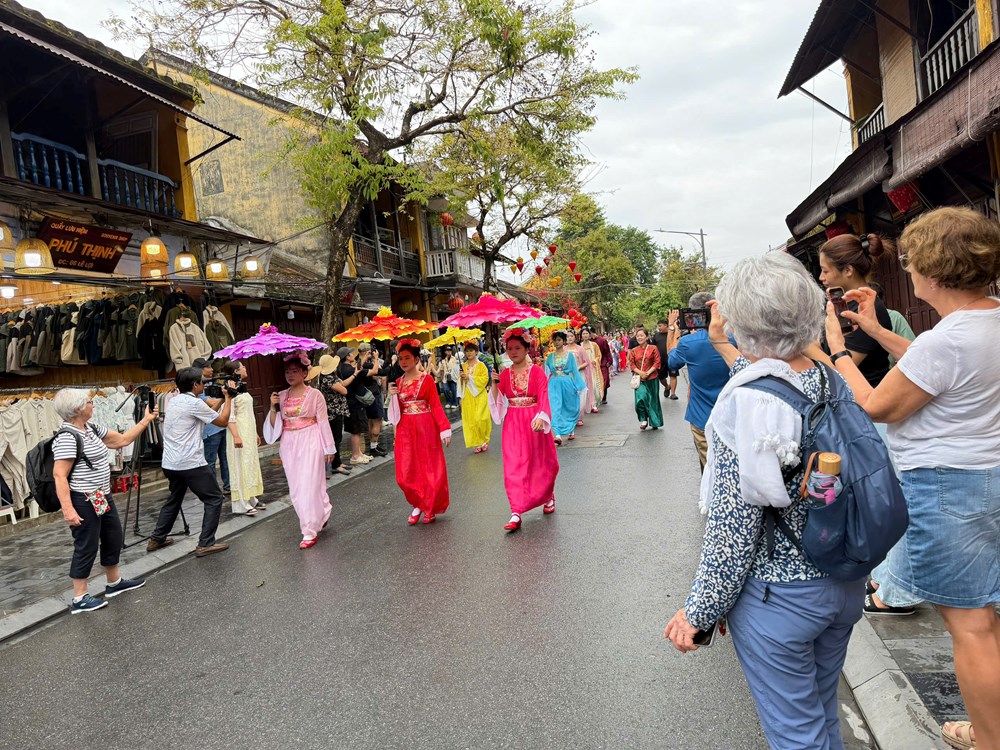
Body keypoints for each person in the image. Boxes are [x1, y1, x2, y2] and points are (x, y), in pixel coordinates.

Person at [664, 252, 864, 750]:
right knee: (820, 717)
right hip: (842, 578)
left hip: (783, 593)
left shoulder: (750, 400)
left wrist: (699, 611)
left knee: (796, 734)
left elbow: (734, 529)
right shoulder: (828, 378)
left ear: (740, 322)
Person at [822, 207, 1000, 750]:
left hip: (949, 488)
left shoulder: (947, 340)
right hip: (988, 476)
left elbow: (877, 403)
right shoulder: (982, 323)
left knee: (970, 625)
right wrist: (875, 331)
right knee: (987, 615)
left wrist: (834, 350)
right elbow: (928, 364)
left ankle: (990, 737)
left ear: (932, 270)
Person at [52, 388, 158, 613]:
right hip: (82, 498)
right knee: (86, 544)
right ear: (78, 409)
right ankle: (79, 597)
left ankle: (114, 582)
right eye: (90, 402)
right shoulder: (67, 437)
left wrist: (146, 420)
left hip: (100, 494)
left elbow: (121, 440)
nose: (93, 404)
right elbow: (59, 475)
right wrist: (68, 510)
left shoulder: (90, 428)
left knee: (112, 536)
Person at [148, 366, 234, 558]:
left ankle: (157, 538)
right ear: (195, 385)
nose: (204, 384)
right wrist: (228, 399)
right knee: (214, 498)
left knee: (174, 498)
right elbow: (222, 421)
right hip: (190, 463)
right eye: (202, 382)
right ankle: (205, 543)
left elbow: (207, 411)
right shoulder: (194, 403)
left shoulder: (176, 401)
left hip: (170, 463)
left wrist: (221, 397)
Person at [488, 328, 559, 532]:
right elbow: (498, 401)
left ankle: (547, 495)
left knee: (541, 464)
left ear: (527, 348)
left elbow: (543, 395)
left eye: (517, 347)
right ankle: (516, 510)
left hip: (533, 421)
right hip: (513, 424)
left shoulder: (536, 371)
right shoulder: (504, 374)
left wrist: (541, 417)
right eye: (509, 348)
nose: (513, 352)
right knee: (514, 466)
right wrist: (494, 384)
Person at [264, 351, 336, 549]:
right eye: (287, 371)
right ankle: (321, 511)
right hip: (289, 443)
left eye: (295, 371)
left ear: (305, 373)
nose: (290, 374)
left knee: (309, 484)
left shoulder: (315, 395)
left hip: (311, 439)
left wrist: (329, 448)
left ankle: (309, 530)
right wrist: (272, 407)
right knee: (296, 487)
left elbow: (323, 422)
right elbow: (275, 426)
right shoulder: (281, 396)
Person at [387, 339, 452, 525]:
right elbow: (395, 413)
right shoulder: (397, 382)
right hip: (405, 428)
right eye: (400, 358)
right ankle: (417, 502)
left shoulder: (427, 379)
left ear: (416, 359)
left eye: (407, 358)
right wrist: (391, 396)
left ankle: (428, 507)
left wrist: (445, 428)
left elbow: (436, 406)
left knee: (428, 468)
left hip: (425, 426)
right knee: (405, 473)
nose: (403, 362)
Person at [818, 233, 894, 387]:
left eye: (825, 271)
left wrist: (805, 346)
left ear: (848, 271)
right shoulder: (841, 303)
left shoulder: (868, 310)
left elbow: (841, 369)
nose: (820, 277)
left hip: (867, 401)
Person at [666, 293, 732, 470]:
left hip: (701, 417)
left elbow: (672, 361)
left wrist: (672, 329)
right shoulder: (734, 338)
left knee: (709, 468)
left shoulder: (688, 343)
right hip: (731, 417)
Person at [220, 360, 265, 516]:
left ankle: (251, 497)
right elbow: (229, 416)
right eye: (243, 367)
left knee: (249, 463)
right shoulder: (229, 390)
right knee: (239, 465)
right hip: (237, 431)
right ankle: (241, 503)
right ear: (236, 371)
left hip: (248, 430)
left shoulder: (242, 388)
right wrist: (236, 435)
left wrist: (255, 433)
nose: (246, 368)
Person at [192, 357, 231, 495]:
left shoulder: (212, 383)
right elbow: (210, 406)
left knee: (226, 458)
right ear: (202, 369)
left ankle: (228, 486)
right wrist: (224, 398)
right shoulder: (198, 387)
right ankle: (214, 491)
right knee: (210, 462)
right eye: (209, 367)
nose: (212, 369)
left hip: (220, 426)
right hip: (209, 430)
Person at [310, 352, 352, 477]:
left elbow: (343, 383)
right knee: (335, 438)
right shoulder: (327, 378)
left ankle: (338, 462)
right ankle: (335, 465)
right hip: (332, 412)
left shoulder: (332, 376)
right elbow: (344, 390)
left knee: (337, 437)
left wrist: (355, 374)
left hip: (337, 410)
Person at [544, 331, 585, 444]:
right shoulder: (550, 357)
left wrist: (579, 386)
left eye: (559, 340)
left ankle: (570, 429)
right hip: (554, 384)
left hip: (567, 383)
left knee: (569, 407)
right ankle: (557, 434)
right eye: (555, 340)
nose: (556, 343)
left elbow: (575, 372)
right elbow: (546, 373)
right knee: (555, 408)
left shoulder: (569, 356)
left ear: (563, 341)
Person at [337, 346, 372, 466]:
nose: (353, 355)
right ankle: (355, 455)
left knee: (357, 429)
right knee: (356, 430)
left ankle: (359, 453)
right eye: (351, 354)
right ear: (347, 357)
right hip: (354, 402)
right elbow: (360, 374)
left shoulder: (343, 368)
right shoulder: (347, 369)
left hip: (352, 402)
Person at [458, 340, 492, 453]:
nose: (469, 353)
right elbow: (459, 382)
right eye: (467, 351)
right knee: (471, 420)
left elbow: (485, 379)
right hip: (467, 396)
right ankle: (477, 443)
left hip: (479, 394)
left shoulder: (481, 365)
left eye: (471, 350)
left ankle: (484, 440)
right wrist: (462, 379)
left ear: (476, 352)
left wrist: (470, 378)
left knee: (481, 418)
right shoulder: (462, 366)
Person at [628, 327, 663, 430]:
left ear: (647, 337)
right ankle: (643, 419)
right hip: (639, 379)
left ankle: (655, 421)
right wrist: (641, 373)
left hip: (652, 377)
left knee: (653, 400)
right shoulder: (634, 351)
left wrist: (648, 372)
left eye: (641, 335)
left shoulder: (653, 348)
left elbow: (657, 362)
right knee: (640, 400)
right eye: (638, 336)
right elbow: (632, 364)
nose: (639, 338)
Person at [357, 342, 387, 457]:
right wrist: (376, 359)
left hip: (365, 395)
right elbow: (380, 371)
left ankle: (373, 445)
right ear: (367, 352)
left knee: (370, 421)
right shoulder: (367, 364)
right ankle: (374, 446)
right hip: (373, 394)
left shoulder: (357, 363)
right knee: (377, 420)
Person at [651, 320, 679, 400]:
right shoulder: (656, 336)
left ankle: (673, 393)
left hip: (672, 359)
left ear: (666, 325)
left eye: (660, 326)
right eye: (658, 326)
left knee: (673, 375)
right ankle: (667, 386)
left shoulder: (673, 334)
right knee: (661, 377)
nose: (659, 328)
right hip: (660, 360)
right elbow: (652, 348)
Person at [580, 327, 604, 410]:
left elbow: (599, 355)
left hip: (593, 368)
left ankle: (594, 403)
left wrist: (595, 360)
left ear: (589, 334)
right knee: (585, 387)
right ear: (581, 336)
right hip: (584, 369)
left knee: (594, 387)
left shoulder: (594, 345)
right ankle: (586, 404)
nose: (585, 335)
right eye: (583, 334)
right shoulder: (580, 346)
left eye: (586, 333)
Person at [594, 330, 613, 404]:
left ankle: (603, 396)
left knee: (604, 379)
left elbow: (607, 351)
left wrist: (609, 361)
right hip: (593, 364)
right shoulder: (585, 343)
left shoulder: (602, 340)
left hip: (603, 362)